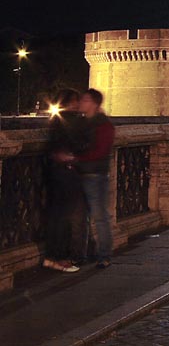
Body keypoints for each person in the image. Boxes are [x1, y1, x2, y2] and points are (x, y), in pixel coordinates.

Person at [43, 89, 87, 272]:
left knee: (58, 217)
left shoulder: (55, 122)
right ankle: (62, 258)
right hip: (68, 174)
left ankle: (53, 257)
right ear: (70, 102)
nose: (79, 103)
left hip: (56, 173)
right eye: (77, 100)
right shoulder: (74, 121)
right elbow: (81, 145)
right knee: (69, 219)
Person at [74, 88, 115, 268]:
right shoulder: (81, 123)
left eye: (85, 100)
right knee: (79, 218)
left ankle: (104, 255)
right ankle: (82, 254)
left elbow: (100, 151)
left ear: (94, 104)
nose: (81, 103)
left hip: (95, 175)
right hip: (79, 174)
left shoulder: (104, 125)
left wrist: (76, 158)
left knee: (99, 218)